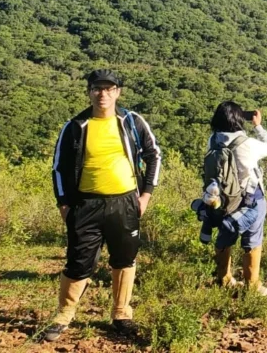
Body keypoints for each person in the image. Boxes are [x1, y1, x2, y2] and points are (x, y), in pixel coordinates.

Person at [44, 70, 162, 342]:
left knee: (124, 259)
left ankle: (121, 314)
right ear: (89, 91)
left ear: (118, 92)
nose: (103, 94)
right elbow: (59, 168)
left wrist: (146, 195)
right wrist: (64, 205)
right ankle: (64, 314)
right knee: (78, 262)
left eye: (109, 89)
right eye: (98, 88)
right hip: (85, 204)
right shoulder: (75, 126)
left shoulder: (132, 121)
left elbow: (153, 153)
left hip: (125, 202)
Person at [209, 102, 267, 296]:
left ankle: (224, 278)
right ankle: (252, 285)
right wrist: (258, 126)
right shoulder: (247, 143)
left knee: (225, 235)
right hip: (250, 197)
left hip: (221, 198)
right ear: (238, 120)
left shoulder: (212, 140)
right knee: (252, 238)